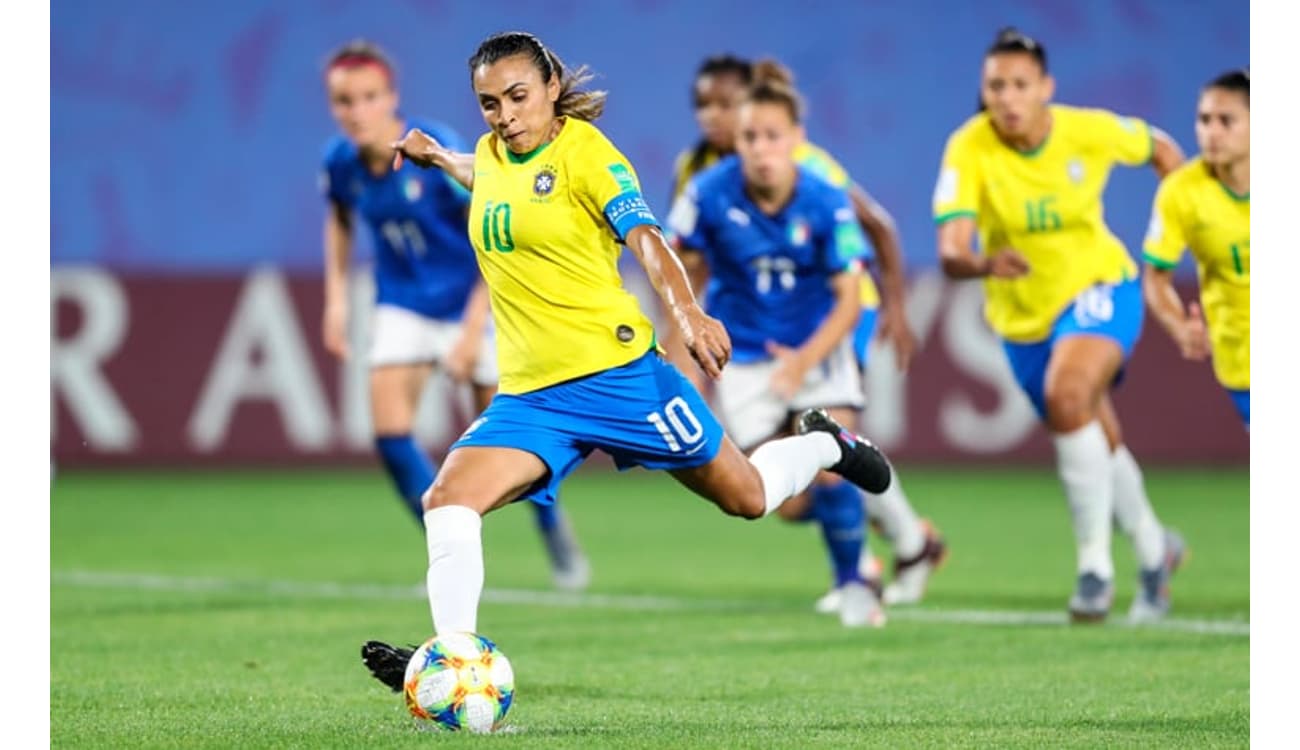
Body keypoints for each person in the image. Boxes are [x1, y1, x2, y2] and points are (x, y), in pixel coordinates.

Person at [359, 31, 895, 690]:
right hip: (532, 398)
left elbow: (646, 237)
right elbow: (491, 176)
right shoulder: (496, 155)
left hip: (621, 379)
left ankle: (825, 445)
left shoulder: (588, 155)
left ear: (552, 87)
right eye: (490, 103)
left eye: (519, 97)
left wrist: (688, 313)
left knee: (749, 497)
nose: (505, 115)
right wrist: (440, 156)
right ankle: (457, 663)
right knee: (447, 500)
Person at [666, 55, 945, 609]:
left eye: (724, 104)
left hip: (824, 327)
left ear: (792, 136)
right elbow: (683, 261)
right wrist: (681, 343)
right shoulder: (701, 179)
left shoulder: (818, 180)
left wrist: (893, 306)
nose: (712, 118)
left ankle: (856, 577)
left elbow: (876, 236)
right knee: (774, 495)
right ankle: (909, 539)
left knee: (828, 454)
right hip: (746, 344)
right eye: (706, 107)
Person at [933, 27, 1187, 623]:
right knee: (1091, 429)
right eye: (995, 85)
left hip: (1102, 285)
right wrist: (983, 262)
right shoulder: (969, 148)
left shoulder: (1087, 130)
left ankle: (1095, 569)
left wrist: (1174, 237)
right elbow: (951, 249)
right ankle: (1155, 552)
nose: (1008, 97)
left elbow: (1162, 149)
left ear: (1046, 87)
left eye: (1020, 84)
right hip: (1022, 318)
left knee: (1068, 392)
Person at [318, 39, 590, 590]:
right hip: (402, 303)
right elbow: (341, 219)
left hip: (476, 297)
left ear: (391, 97)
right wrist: (337, 300)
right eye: (345, 101)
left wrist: (471, 332)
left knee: (514, 447)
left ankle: (551, 522)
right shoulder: (341, 162)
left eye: (369, 97)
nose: (357, 111)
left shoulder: (436, 147)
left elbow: (500, 232)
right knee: (391, 435)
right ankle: (446, 553)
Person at [1142, 70, 1250, 428]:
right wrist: (1179, 326)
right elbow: (1156, 279)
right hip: (1243, 361)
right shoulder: (1181, 192)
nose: (1211, 132)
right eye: (1204, 120)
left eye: (1226, 121)